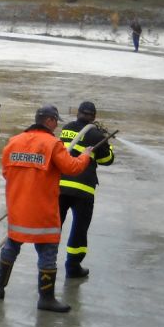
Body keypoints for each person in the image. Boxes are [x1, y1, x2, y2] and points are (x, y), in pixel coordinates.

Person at [0, 104, 92, 313]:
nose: (56, 126)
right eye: (55, 122)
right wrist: (85, 155)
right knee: (47, 253)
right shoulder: (52, 144)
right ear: (49, 121)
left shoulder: (14, 142)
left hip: (18, 210)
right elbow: (72, 168)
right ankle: (46, 299)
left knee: (11, 247)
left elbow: (6, 172)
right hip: (43, 213)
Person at [58, 101, 115, 280]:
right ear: (94, 117)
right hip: (83, 190)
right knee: (79, 228)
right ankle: (73, 267)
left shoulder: (66, 128)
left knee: (55, 225)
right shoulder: (97, 135)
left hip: (61, 186)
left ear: (78, 113)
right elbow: (107, 160)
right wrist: (108, 144)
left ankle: (47, 260)